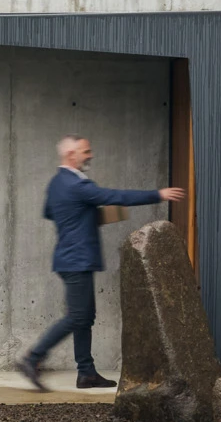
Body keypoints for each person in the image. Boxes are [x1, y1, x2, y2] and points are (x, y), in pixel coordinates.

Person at [16, 136, 183, 391]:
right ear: (72, 155)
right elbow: (114, 195)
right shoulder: (76, 185)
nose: (90, 155)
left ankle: (86, 373)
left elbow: (50, 211)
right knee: (77, 316)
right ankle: (33, 358)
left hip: (70, 258)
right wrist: (157, 194)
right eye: (86, 151)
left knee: (84, 318)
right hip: (77, 260)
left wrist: (79, 217)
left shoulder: (56, 184)